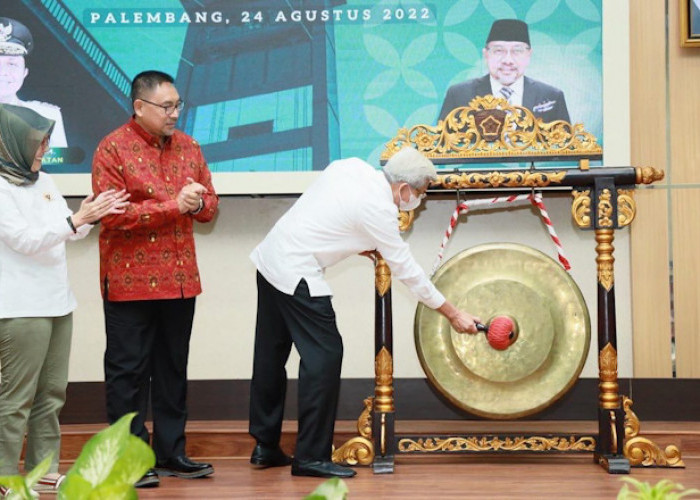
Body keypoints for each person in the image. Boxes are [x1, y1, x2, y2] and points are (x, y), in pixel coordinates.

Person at [248, 147, 481, 478]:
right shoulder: (378, 209)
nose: (419, 200)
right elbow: (408, 270)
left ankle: (265, 445)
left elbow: (329, 213)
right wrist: (453, 313)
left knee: (270, 355)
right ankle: (311, 457)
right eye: (421, 193)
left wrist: (358, 240)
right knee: (325, 356)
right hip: (297, 272)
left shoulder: (351, 167)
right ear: (403, 189)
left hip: (271, 259)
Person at [91, 70, 219, 488]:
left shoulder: (190, 146)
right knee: (127, 373)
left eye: (178, 105)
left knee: (172, 371)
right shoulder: (112, 149)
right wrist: (173, 205)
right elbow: (111, 216)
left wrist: (198, 203)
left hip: (181, 280)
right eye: (166, 106)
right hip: (130, 283)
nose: (174, 113)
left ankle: (171, 453)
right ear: (139, 107)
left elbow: (209, 206)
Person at [0, 104, 128, 495]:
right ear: (14, 142)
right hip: (21, 307)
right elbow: (24, 239)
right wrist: (73, 221)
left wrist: (88, 216)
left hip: (57, 301)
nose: (45, 149)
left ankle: (44, 469)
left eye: (47, 142)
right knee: (16, 397)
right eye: (38, 142)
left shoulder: (44, 181)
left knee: (52, 393)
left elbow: (66, 231)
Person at [438, 19, 570, 124]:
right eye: (499, 51)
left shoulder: (551, 96)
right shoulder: (459, 95)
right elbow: (442, 147)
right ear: (486, 54)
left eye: (517, 51)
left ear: (528, 55)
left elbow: (566, 151)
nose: (508, 60)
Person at [0, 17, 68, 148]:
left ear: (24, 73)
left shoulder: (48, 117)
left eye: (12, 64)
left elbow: (60, 166)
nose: (3, 72)